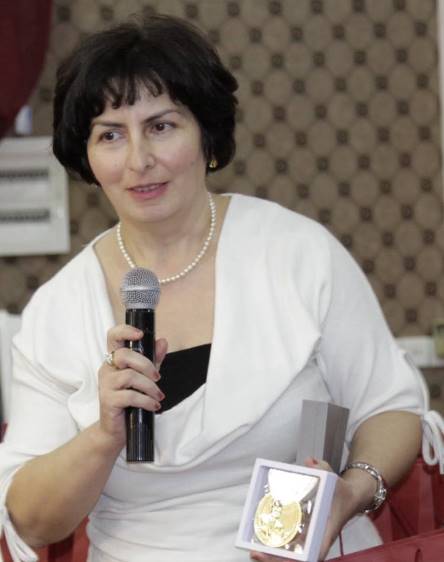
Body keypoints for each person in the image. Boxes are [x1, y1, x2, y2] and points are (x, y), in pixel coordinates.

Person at [0, 13, 427, 562]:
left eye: (161, 126)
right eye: (110, 135)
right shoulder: (59, 307)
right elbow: (31, 521)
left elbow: (389, 408)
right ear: (87, 156)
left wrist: (348, 494)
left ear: (206, 134)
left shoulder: (296, 253)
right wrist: (102, 436)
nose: (138, 160)